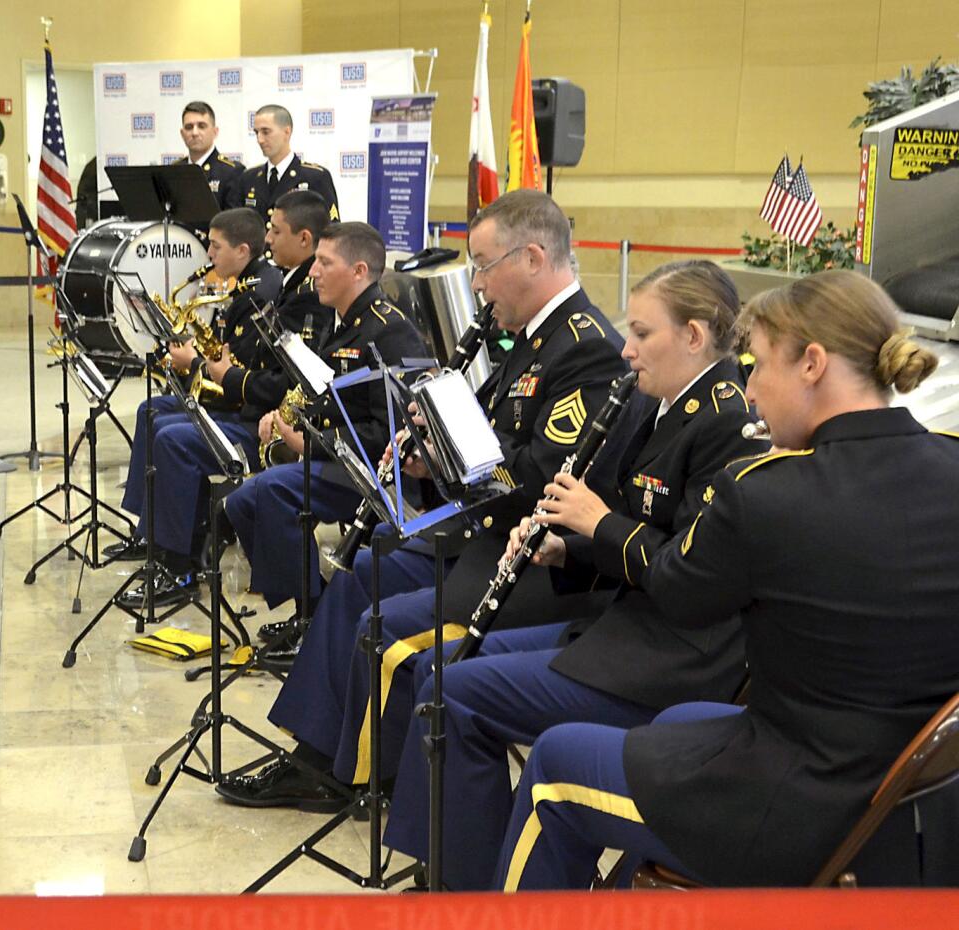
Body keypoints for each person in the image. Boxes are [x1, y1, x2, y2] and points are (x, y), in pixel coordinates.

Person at [492, 269, 959, 890]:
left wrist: (593, 531)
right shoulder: (950, 459)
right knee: (681, 718)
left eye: (760, 367)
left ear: (813, 364)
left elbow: (682, 596)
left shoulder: (769, 492)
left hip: (800, 807)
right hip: (911, 803)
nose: (751, 391)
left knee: (552, 765)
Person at [217, 189, 627, 811]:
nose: (479, 285)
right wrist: (431, 450)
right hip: (483, 531)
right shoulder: (535, 339)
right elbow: (492, 437)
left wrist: (447, 460)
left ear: (534, 258)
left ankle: (350, 766)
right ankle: (323, 754)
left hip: (530, 559)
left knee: (377, 597)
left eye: (485, 266)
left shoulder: (584, 345)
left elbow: (539, 475)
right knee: (363, 567)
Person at [379, 261, 767, 890]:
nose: (626, 348)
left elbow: (688, 573)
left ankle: (467, 885)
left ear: (694, 336)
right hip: (624, 631)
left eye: (642, 332)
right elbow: (640, 532)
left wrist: (597, 521)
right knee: (439, 671)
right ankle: (461, 866)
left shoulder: (724, 422)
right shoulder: (662, 402)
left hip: (673, 659)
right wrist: (569, 547)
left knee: (452, 692)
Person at [221, 222, 425, 617]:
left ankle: (310, 615)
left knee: (268, 493)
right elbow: (324, 396)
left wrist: (308, 443)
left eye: (324, 263)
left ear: (359, 271)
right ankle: (307, 602)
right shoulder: (338, 322)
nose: (313, 272)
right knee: (243, 501)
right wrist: (283, 418)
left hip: (377, 476)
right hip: (337, 461)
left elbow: (390, 433)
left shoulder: (390, 332)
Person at [108, 207, 283, 606]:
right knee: (151, 412)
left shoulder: (259, 292)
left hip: (247, 417)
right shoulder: (244, 284)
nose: (208, 254)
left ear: (242, 250)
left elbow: (246, 376)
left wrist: (197, 365)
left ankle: (179, 565)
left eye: (215, 246)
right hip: (237, 403)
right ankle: (150, 534)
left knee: (172, 439)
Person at [238, 105, 339, 224]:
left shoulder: (315, 177)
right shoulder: (249, 178)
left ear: (287, 131)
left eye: (266, 132)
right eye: (256, 133)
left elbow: (331, 228)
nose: (260, 139)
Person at [179, 100, 244, 210]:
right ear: (182, 133)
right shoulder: (176, 170)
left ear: (215, 131)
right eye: (189, 127)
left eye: (201, 126)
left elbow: (233, 221)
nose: (195, 133)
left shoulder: (232, 171)